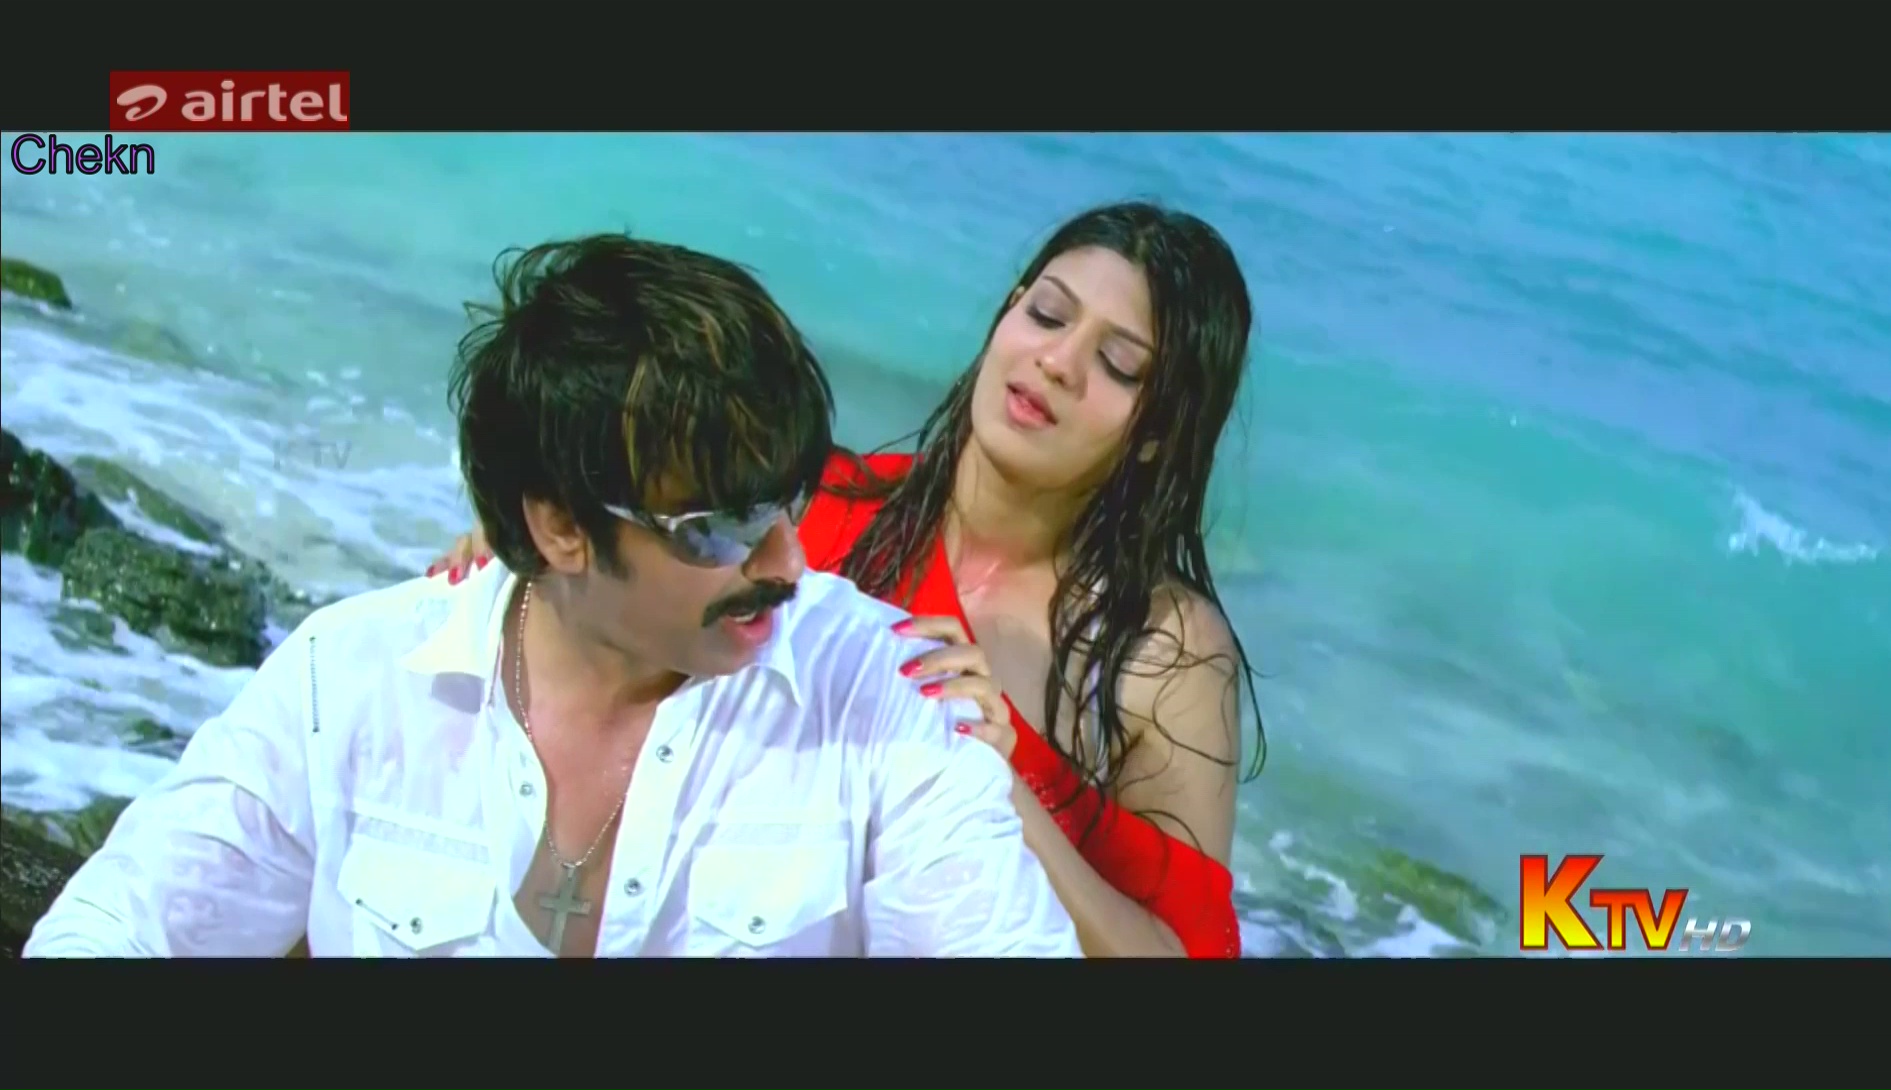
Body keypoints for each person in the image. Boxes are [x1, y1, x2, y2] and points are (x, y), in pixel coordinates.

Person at [24, 233, 1083, 959]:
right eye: (717, 527)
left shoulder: (881, 703)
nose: (787, 561)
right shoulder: (350, 680)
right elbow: (117, 930)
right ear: (560, 527)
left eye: (788, 503)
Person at [433, 202, 1266, 958]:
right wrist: (548, 566)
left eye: (1119, 365)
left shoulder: (1163, 651)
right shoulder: (816, 511)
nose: (1057, 362)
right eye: (1046, 314)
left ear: (1161, 432)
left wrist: (996, 784)